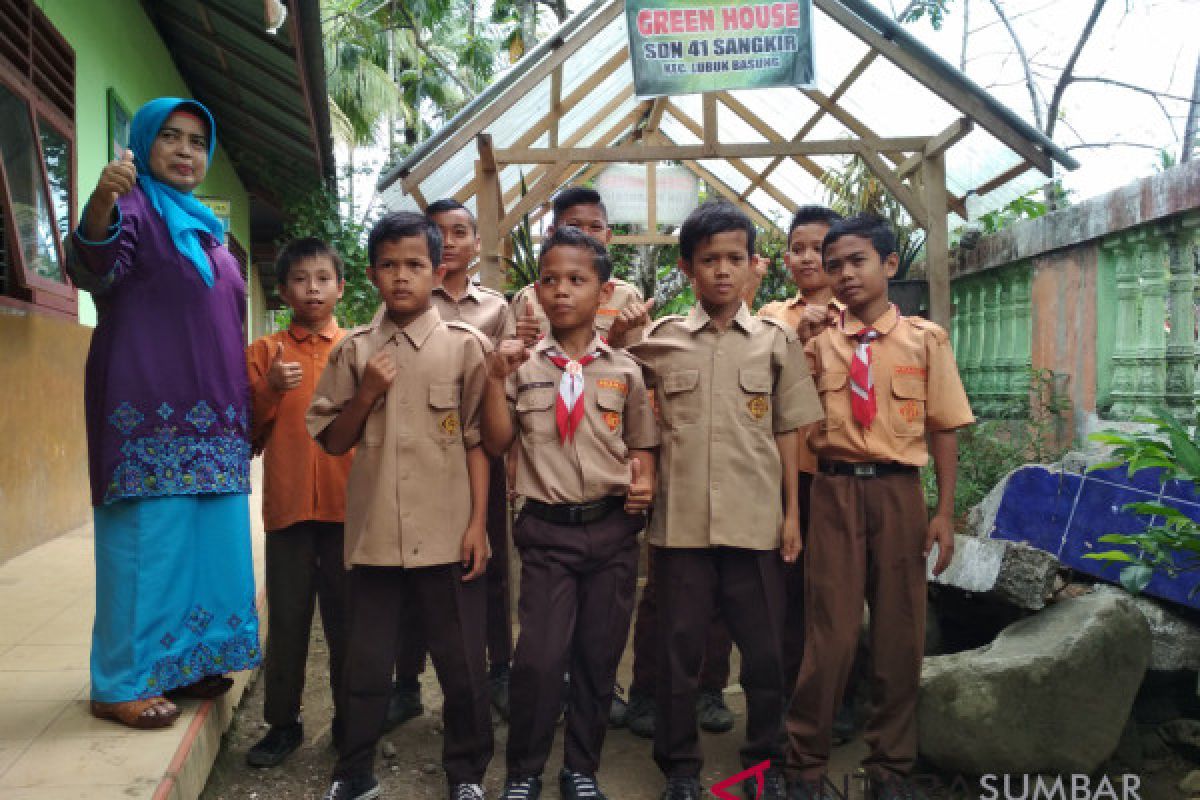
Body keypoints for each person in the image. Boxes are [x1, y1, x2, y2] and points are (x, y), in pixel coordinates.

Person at [66, 97, 260, 730]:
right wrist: (99, 202)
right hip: (147, 416)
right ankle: (121, 682)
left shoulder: (206, 228)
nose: (185, 151)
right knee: (148, 547)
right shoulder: (132, 209)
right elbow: (93, 267)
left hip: (217, 420)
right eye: (171, 137)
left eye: (198, 142)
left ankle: (186, 661)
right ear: (144, 142)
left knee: (209, 546)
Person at [624, 201, 824, 800]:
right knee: (678, 656)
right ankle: (680, 770)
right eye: (709, 259)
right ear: (688, 267)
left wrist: (792, 515)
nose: (722, 271)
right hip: (680, 530)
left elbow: (789, 432)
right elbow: (626, 415)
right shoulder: (658, 344)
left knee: (764, 656)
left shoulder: (775, 343)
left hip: (756, 526)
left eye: (734, 258)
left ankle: (763, 759)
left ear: (752, 265)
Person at [785, 214, 973, 800]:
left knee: (899, 637)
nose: (843, 274)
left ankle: (889, 768)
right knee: (831, 637)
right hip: (834, 492)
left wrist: (943, 512)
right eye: (833, 264)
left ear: (890, 265)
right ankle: (804, 764)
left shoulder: (925, 341)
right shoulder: (814, 342)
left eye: (856, 261)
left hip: (899, 495)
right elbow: (789, 430)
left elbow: (944, 426)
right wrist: (794, 513)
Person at [307, 212, 494, 800]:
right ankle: (355, 772)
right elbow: (334, 440)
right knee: (365, 668)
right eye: (388, 265)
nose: (401, 277)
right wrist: (365, 394)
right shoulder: (354, 351)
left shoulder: (467, 348)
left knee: (462, 666)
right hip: (377, 538)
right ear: (370, 274)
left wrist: (478, 526)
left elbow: (478, 443)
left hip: (446, 536)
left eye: (415, 265)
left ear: (437, 271)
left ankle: (465, 774)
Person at [479, 226, 659, 800]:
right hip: (547, 533)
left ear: (603, 293)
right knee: (538, 658)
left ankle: (580, 767)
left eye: (577, 280)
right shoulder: (523, 367)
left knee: (598, 656)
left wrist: (645, 476)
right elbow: (499, 441)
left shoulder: (624, 370)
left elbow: (641, 442)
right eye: (551, 280)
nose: (562, 291)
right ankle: (524, 772)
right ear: (536, 289)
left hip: (610, 529)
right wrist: (492, 380)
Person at [389, 199, 517, 728]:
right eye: (441, 232)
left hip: (483, 447)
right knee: (415, 565)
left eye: (461, 231)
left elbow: (503, 371)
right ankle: (407, 679)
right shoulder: (413, 295)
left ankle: (498, 671)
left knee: (488, 562)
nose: (452, 240)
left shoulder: (496, 307)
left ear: (475, 244)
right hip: (426, 451)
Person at [244, 238, 354, 767]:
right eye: (301, 280)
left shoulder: (356, 349)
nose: (313, 289)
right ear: (283, 289)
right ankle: (282, 724)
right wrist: (268, 389)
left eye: (323, 278)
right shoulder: (266, 352)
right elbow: (245, 433)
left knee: (347, 622)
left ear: (341, 287)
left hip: (348, 512)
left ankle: (350, 723)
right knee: (287, 620)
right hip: (288, 512)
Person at [508, 187, 645, 346]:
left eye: (595, 227)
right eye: (573, 226)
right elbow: (507, 360)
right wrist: (520, 341)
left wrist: (617, 339)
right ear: (552, 233)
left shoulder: (626, 296)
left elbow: (640, 359)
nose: (585, 234)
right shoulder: (527, 298)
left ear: (608, 236)